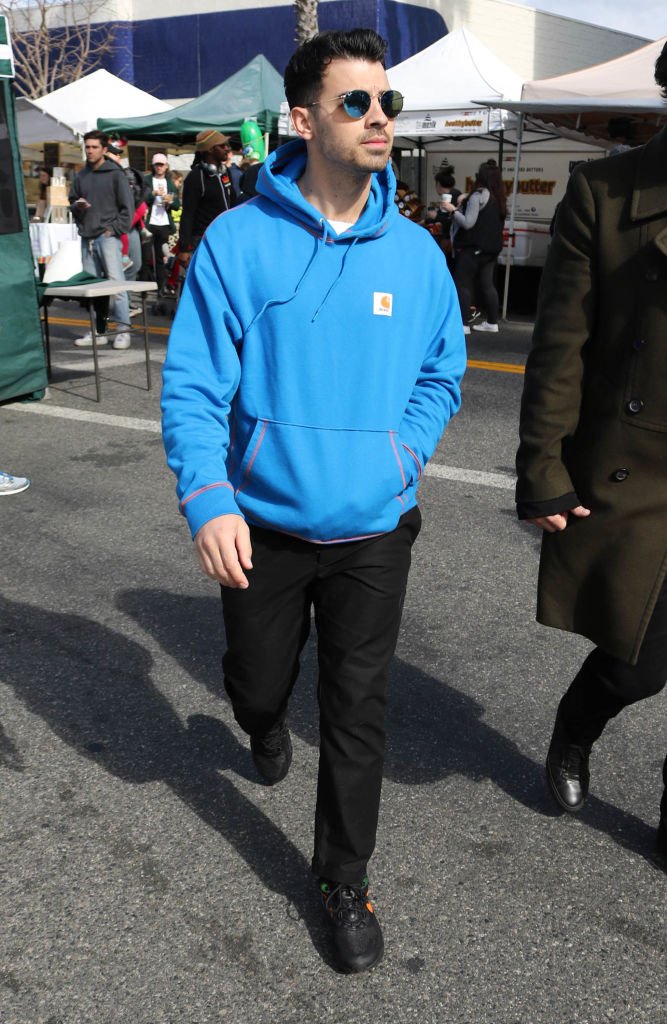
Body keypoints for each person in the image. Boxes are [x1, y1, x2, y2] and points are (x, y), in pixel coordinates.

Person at [161, 27, 466, 973]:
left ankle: (343, 875)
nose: (379, 119)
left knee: (357, 704)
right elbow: (194, 385)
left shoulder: (415, 254)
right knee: (258, 683)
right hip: (261, 522)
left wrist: (400, 456)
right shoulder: (238, 241)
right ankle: (257, 721)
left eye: (388, 105)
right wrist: (208, 497)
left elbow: (442, 371)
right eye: (356, 103)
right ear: (303, 118)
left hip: (375, 525)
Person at [515, 43, 667, 859]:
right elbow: (558, 347)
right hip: (639, 465)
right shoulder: (604, 194)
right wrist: (542, 467)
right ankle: (575, 727)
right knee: (636, 664)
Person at [69, 130, 133, 350]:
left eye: (94, 147)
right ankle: (99, 331)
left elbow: (128, 209)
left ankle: (123, 330)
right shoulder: (81, 175)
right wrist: (76, 207)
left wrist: (112, 230)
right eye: (87, 147)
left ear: (105, 149)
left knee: (116, 285)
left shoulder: (116, 174)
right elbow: (72, 201)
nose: (90, 151)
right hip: (86, 237)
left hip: (107, 237)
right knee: (93, 288)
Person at [442, 161, 506, 335]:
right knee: (487, 285)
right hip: (492, 249)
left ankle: (463, 324)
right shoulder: (499, 197)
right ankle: (492, 322)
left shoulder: (478, 196)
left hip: (474, 247)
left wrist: (453, 210)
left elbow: (468, 223)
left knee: (463, 283)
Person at [178, 130, 235, 267]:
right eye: (222, 146)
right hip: (204, 239)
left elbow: (233, 203)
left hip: (226, 237)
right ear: (210, 149)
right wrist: (184, 248)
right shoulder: (196, 177)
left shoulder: (225, 172)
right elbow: (188, 214)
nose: (227, 148)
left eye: (227, 145)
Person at [105, 138, 151, 288]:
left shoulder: (120, 172)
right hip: (117, 226)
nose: (118, 156)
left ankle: (124, 302)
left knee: (134, 265)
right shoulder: (105, 173)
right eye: (115, 153)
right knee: (119, 269)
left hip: (130, 225)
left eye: (118, 154)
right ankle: (118, 304)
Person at [144, 154, 180, 294]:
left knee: (161, 257)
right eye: (157, 165)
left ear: (166, 166)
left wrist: (169, 201)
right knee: (146, 256)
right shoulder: (147, 180)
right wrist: (153, 195)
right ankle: (144, 288)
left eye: (162, 165)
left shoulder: (169, 182)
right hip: (149, 222)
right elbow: (140, 197)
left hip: (164, 223)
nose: (159, 167)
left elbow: (177, 205)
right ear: (153, 166)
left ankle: (161, 286)